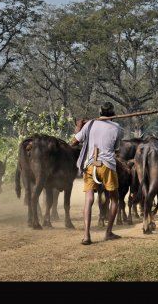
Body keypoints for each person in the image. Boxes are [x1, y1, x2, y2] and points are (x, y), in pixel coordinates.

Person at [70, 102, 123, 245]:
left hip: (90, 164)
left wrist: (78, 128)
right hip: (107, 166)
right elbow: (116, 149)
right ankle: (108, 233)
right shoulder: (118, 128)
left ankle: (86, 236)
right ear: (113, 114)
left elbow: (74, 142)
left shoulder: (90, 124)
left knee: (88, 199)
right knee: (114, 199)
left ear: (100, 112)